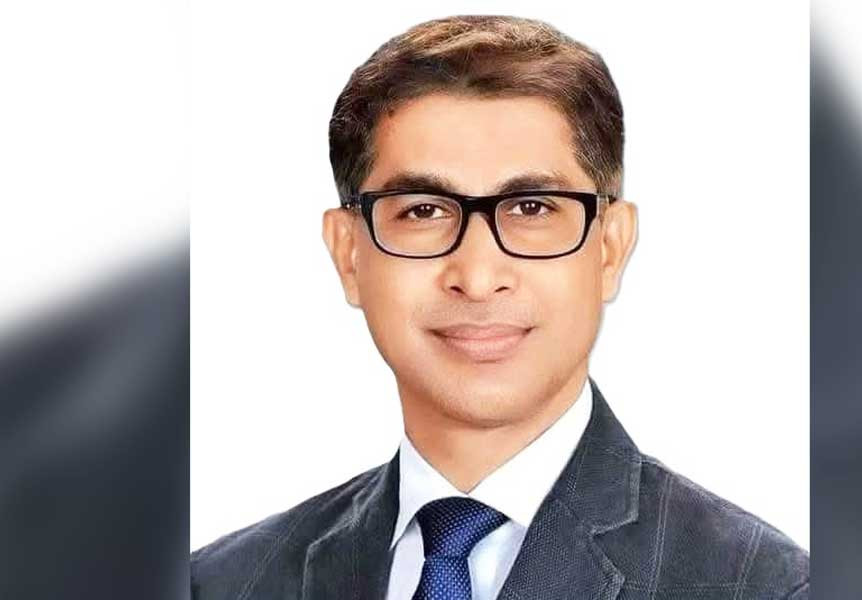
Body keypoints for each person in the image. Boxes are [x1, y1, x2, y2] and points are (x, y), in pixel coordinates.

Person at [191, 15, 808, 599]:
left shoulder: (763, 586)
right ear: (349, 254)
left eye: (531, 208)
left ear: (610, 249)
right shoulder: (221, 584)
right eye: (424, 211)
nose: (479, 277)